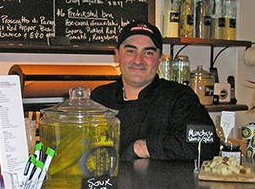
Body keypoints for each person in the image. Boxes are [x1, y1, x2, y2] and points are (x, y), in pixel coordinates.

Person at [91, 20, 220, 161]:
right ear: (118, 55)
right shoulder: (100, 97)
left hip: (162, 183)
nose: (138, 60)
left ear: (160, 59)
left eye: (148, 53)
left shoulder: (179, 97)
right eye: (131, 51)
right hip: (107, 182)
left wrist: (141, 148)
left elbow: (206, 145)